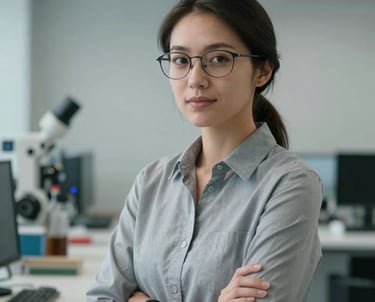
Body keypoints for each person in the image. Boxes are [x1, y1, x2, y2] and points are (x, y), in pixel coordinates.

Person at [86, 0, 322, 301]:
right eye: (181, 60)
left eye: (219, 58)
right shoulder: (151, 182)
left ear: (262, 71)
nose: (195, 79)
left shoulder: (290, 184)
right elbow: (101, 297)